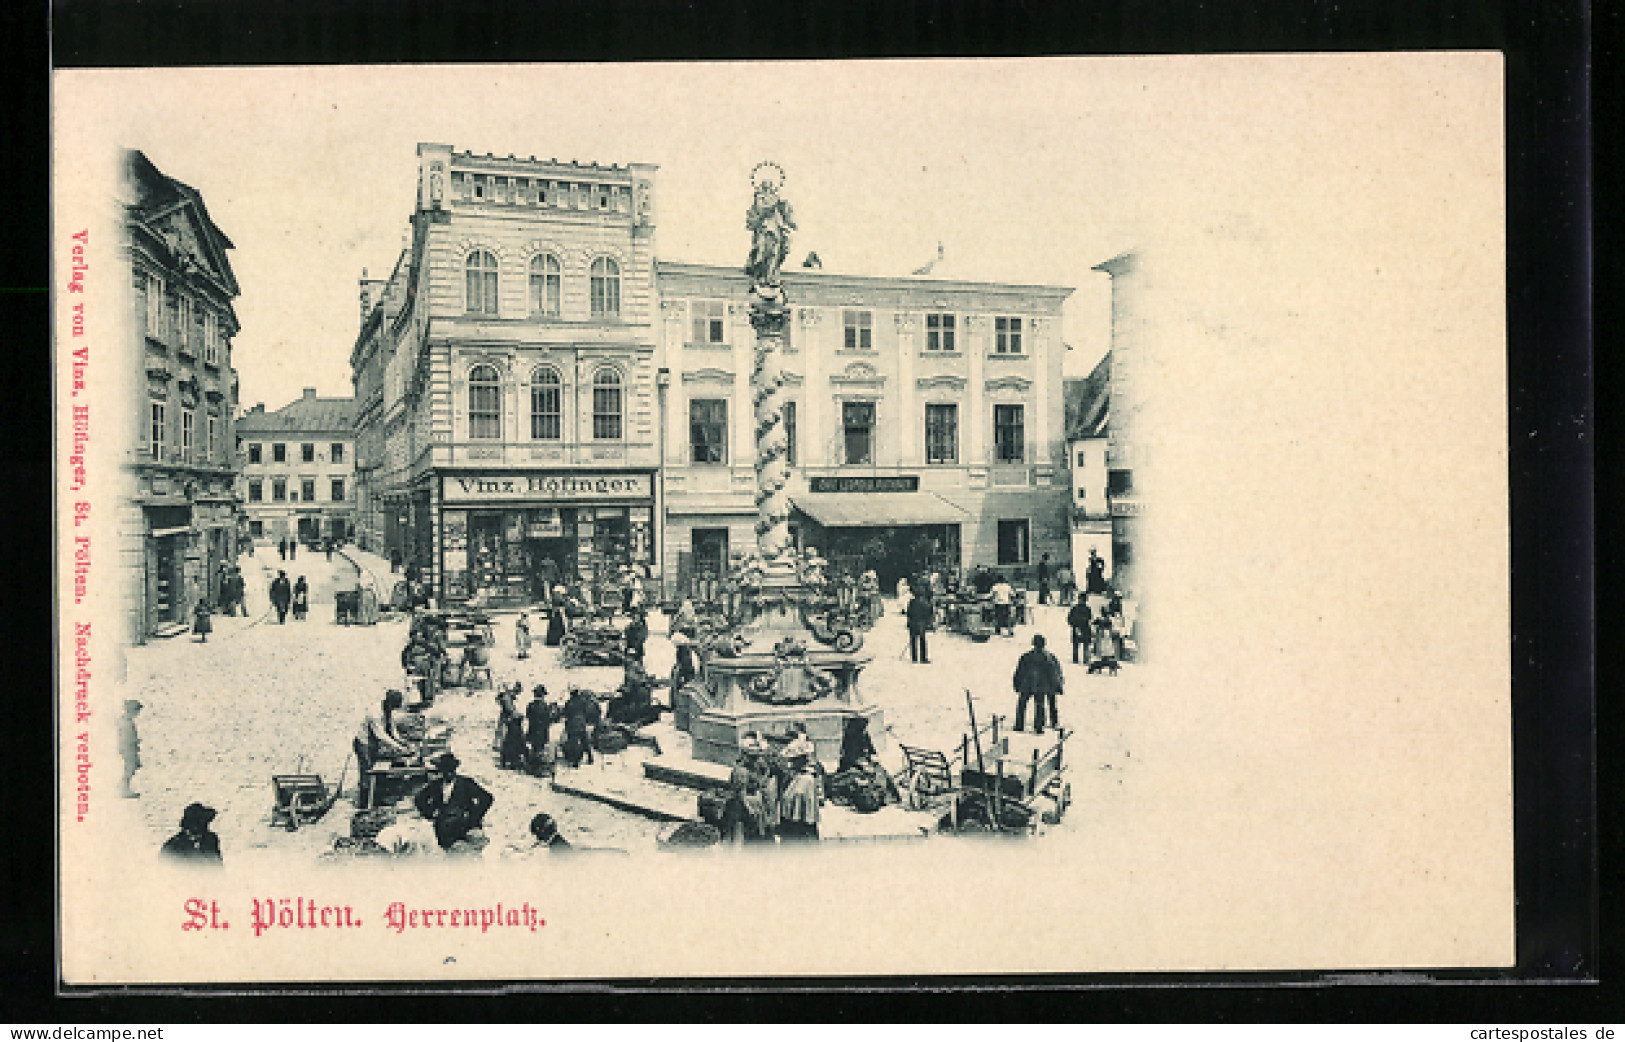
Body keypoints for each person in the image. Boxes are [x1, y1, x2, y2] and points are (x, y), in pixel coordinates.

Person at [414, 753, 494, 851]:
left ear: (454, 770)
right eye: (444, 771)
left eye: (450, 771)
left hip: (464, 827)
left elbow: (487, 798)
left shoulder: (466, 783)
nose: (447, 774)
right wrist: (430, 813)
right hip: (444, 828)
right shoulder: (436, 785)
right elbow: (419, 798)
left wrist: (474, 816)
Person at [354, 690, 413, 809]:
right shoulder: (375, 713)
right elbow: (380, 734)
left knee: (379, 772)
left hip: (373, 744)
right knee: (368, 772)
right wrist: (399, 747)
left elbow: (392, 730)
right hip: (363, 744)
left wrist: (402, 741)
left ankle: (377, 799)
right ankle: (364, 804)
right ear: (389, 702)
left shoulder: (387, 711)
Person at [722, 733, 779, 844]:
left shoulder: (753, 767)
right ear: (744, 756)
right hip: (742, 806)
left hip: (755, 802)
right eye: (752, 757)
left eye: (756, 757)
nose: (755, 760)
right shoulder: (741, 771)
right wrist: (751, 810)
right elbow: (741, 794)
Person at [1012, 633, 1065, 734]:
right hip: (1041, 685)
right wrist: (1057, 685)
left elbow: (1019, 671)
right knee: (1040, 705)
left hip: (1026, 684)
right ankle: (1039, 727)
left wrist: (1017, 683)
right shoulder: (1049, 657)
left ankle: (1019, 725)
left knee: (1022, 704)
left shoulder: (1026, 656)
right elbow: (1054, 673)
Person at [777, 734, 822, 841]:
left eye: (793, 760)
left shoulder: (807, 780)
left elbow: (809, 813)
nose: (790, 764)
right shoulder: (793, 777)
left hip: (801, 830)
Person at [559, 687, 600, 768]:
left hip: (572, 725)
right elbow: (587, 712)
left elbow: (565, 714)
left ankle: (575, 761)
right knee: (584, 740)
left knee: (573, 743)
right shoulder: (583, 702)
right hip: (581, 724)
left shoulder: (569, 703)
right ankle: (590, 757)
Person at [117, 699, 142, 798]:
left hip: (130, 748)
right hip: (128, 749)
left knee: (132, 768)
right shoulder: (126, 723)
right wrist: (134, 741)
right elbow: (125, 738)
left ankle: (123, 787)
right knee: (129, 769)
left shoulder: (125, 721)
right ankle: (124, 789)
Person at [906, 585, 934, 664]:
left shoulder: (911, 602)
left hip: (913, 622)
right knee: (922, 640)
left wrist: (909, 621)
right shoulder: (925, 603)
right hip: (921, 623)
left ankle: (914, 658)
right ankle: (923, 658)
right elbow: (929, 613)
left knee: (913, 640)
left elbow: (908, 613)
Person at [1068, 599, 1093, 665]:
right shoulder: (1077, 609)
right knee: (1079, 645)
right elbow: (1069, 619)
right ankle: (1080, 659)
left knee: (1082, 645)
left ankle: (1083, 659)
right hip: (1082, 628)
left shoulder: (1077, 609)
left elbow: (1090, 618)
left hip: (1081, 628)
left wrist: (1074, 624)